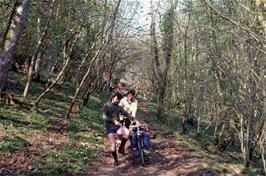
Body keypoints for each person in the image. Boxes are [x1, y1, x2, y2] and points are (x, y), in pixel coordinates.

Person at [102, 92, 137, 166]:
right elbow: (104, 117)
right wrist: (113, 120)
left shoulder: (118, 107)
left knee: (128, 132)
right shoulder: (107, 105)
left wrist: (134, 120)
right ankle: (116, 160)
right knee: (113, 144)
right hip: (110, 126)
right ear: (113, 97)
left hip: (118, 126)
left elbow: (126, 114)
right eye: (117, 98)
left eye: (119, 99)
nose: (118, 100)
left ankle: (121, 148)